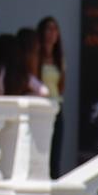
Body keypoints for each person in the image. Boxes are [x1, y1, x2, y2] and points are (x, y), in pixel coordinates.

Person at [37, 16, 65, 178]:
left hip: (56, 107)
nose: (52, 33)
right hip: (40, 108)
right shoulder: (36, 56)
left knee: (55, 153)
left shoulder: (59, 58)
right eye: (48, 28)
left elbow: (61, 86)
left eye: (55, 29)